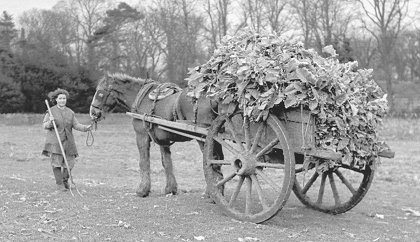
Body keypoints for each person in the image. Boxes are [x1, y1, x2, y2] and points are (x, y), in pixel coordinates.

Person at [42, 88, 92, 191]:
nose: (62, 100)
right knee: (56, 162)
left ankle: (65, 181)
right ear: (56, 99)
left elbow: (76, 125)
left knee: (70, 163)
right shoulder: (51, 111)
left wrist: (85, 128)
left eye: (64, 98)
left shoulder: (70, 112)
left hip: (68, 142)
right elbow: (44, 125)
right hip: (55, 142)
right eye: (60, 98)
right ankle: (59, 184)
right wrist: (50, 122)